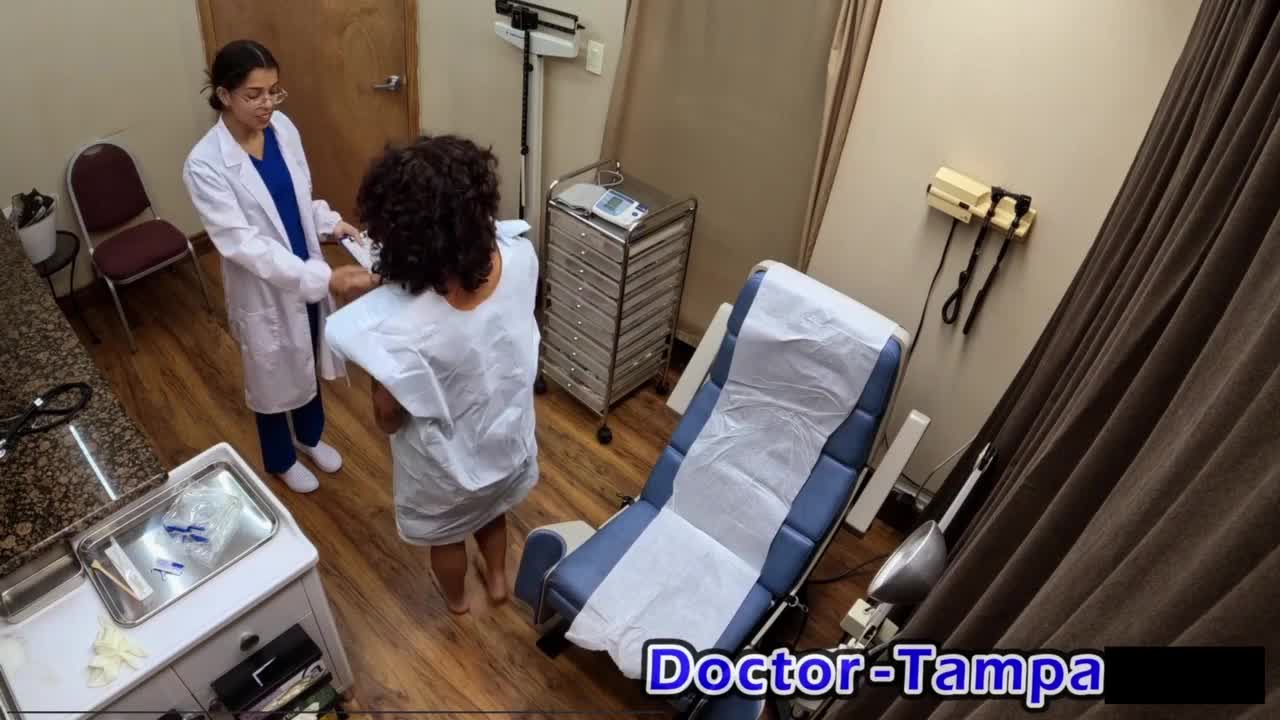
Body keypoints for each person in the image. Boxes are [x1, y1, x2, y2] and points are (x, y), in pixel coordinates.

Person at [324, 135, 540, 614]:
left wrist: (379, 296)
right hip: (504, 436)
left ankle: (458, 601)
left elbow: (388, 420)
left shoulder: (397, 331)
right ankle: (498, 582)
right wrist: (383, 280)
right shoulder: (521, 258)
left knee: (446, 535)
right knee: (493, 511)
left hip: (447, 465)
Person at [182, 40, 374, 493]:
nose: (267, 104)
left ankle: (309, 436)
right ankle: (281, 459)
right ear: (224, 95)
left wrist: (329, 223)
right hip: (265, 286)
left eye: (274, 91)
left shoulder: (282, 128)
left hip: (305, 268)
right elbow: (241, 243)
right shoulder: (205, 164)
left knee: (307, 353)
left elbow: (299, 197)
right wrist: (321, 277)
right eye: (254, 94)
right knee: (270, 373)